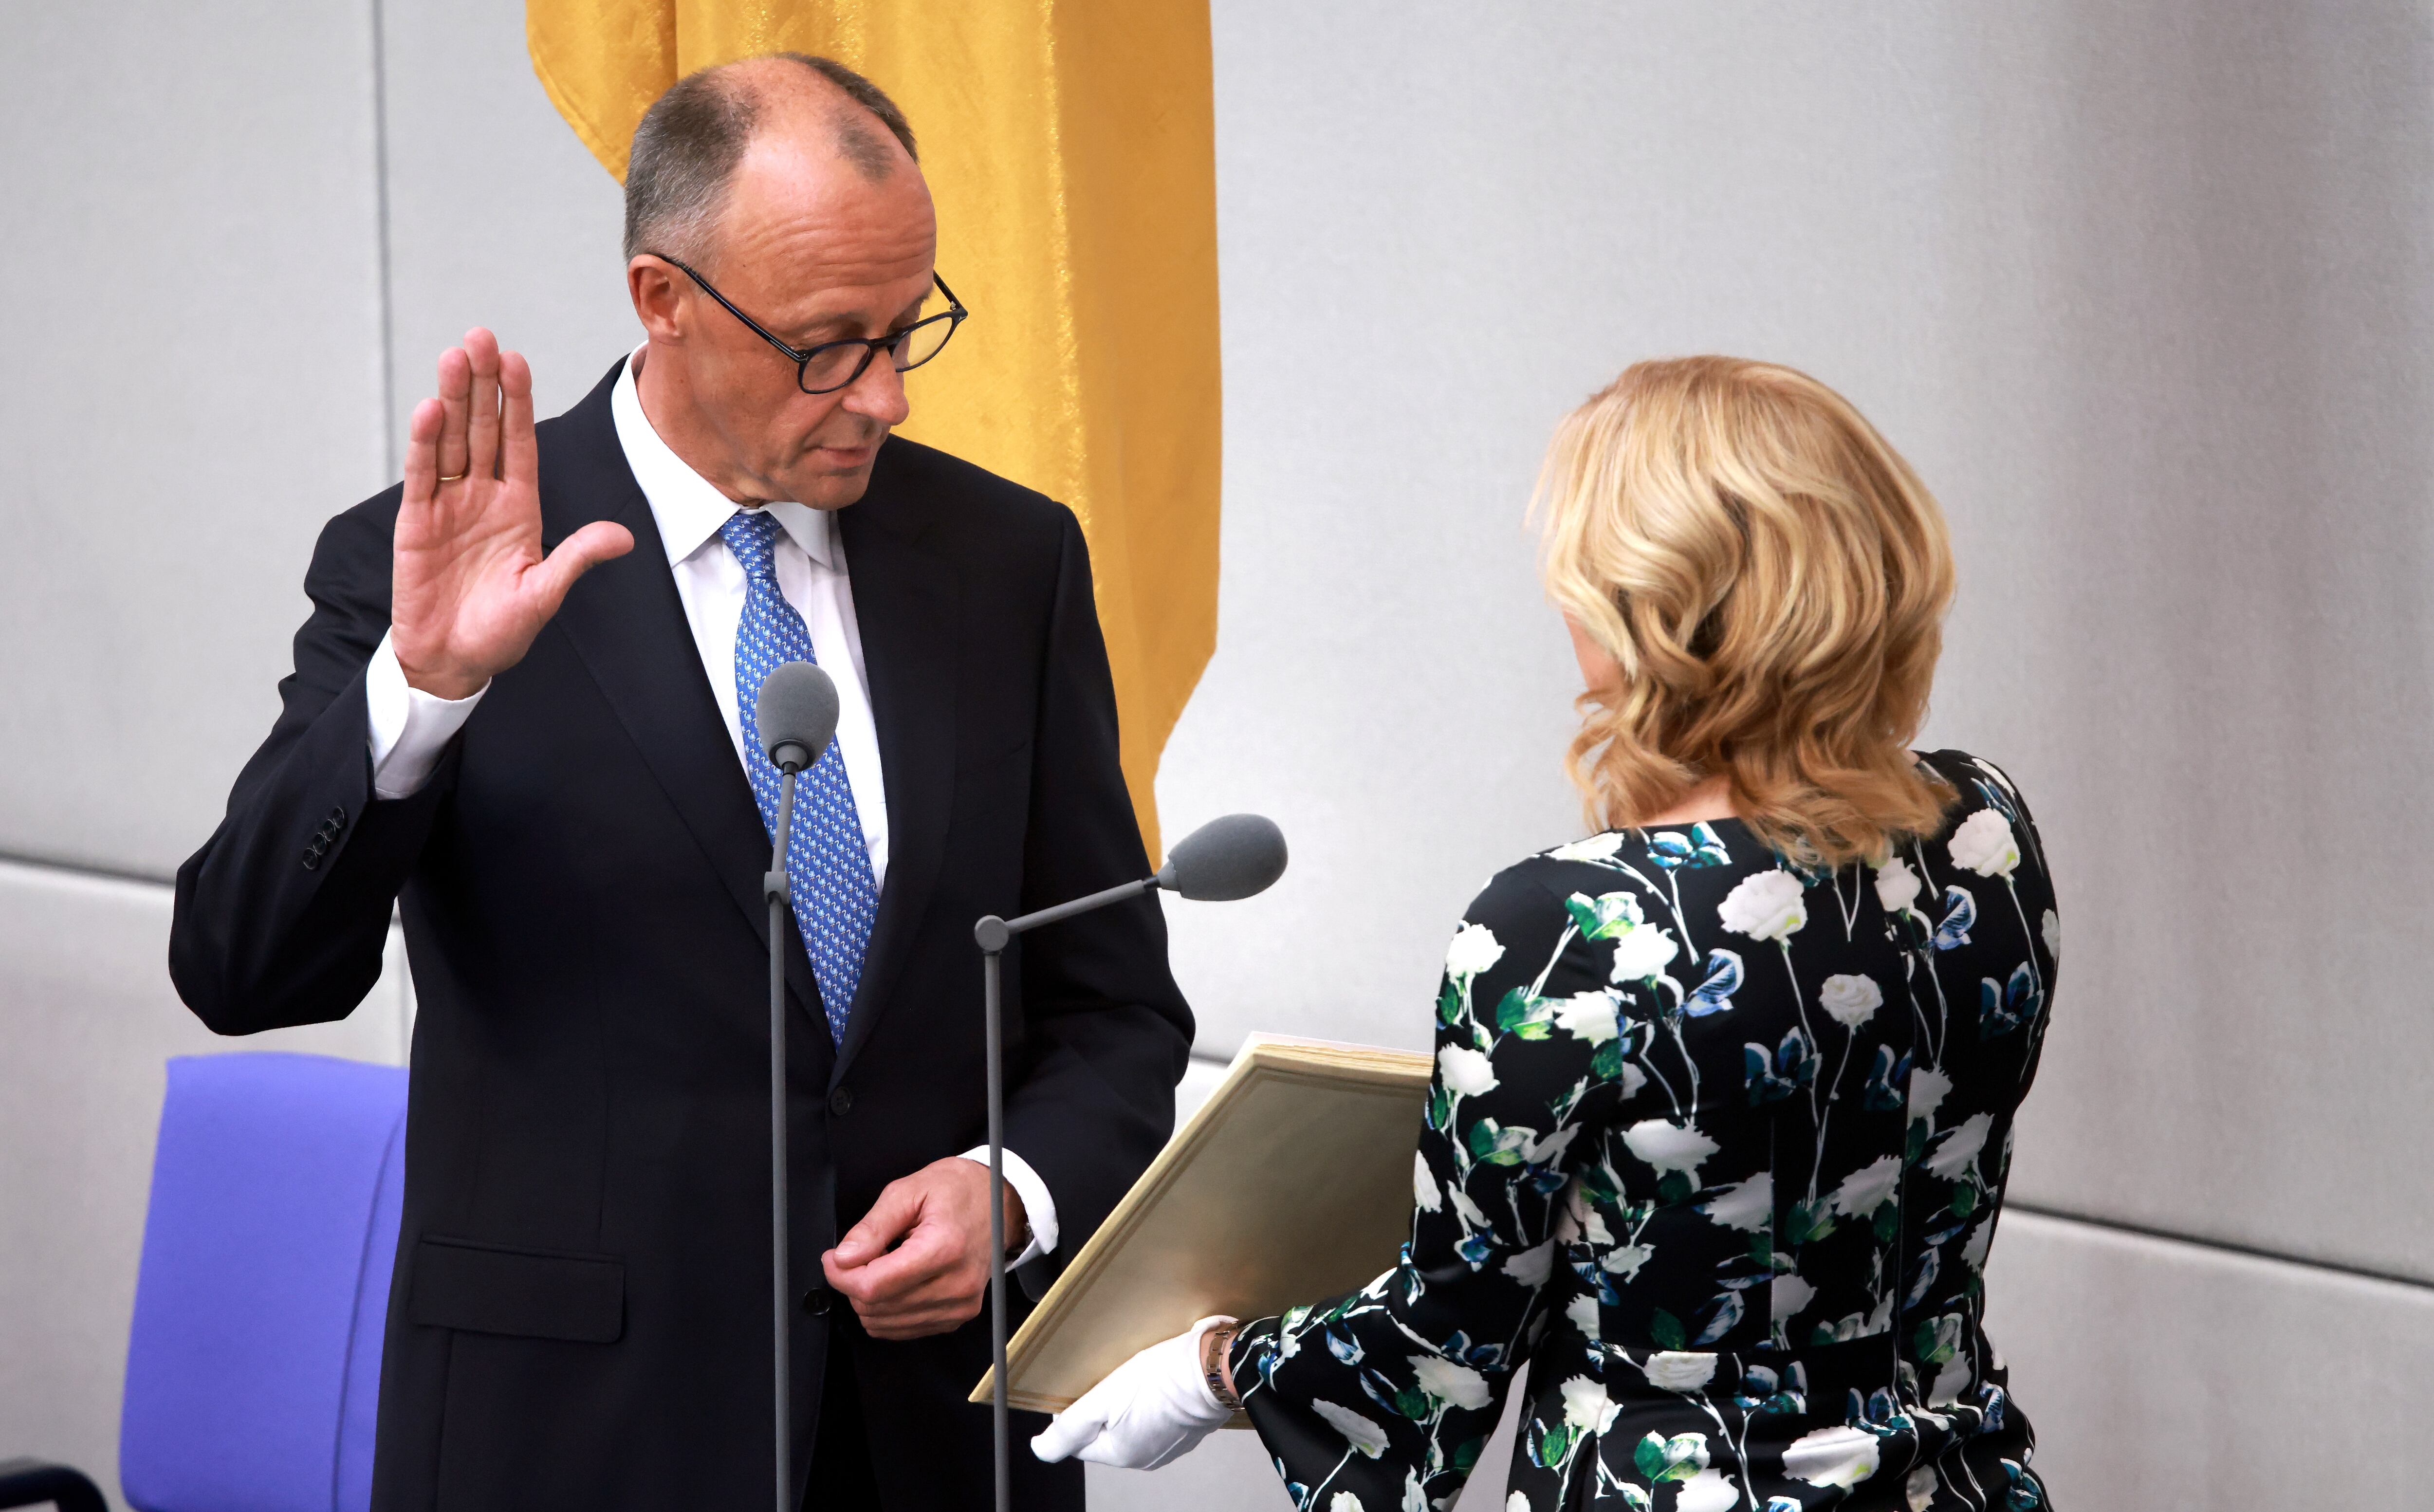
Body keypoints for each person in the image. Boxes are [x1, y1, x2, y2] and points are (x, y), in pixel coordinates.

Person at [168, 54, 1191, 1512]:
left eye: (911, 329)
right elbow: (241, 964)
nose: (887, 395)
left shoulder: (1007, 563)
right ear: (665, 299)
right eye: (831, 344)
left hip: (931, 1441)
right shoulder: (441, 559)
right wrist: (427, 690)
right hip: (574, 1439)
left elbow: (1116, 1008)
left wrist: (1013, 1190)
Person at [1036, 357, 2058, 1510]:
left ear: (1657, 602)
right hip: (1959, 1482)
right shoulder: (1986, 830)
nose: (1561, 599)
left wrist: (1217, 1364)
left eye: (1580, 571)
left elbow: (1450, 1331)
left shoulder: (1567, 924)